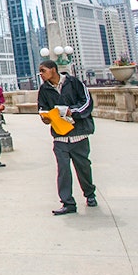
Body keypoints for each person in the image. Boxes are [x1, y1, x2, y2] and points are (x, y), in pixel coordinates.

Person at [36, 60, 97, 215]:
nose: (41, 74)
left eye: (43, 70)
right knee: (63, 170)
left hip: (79, 134)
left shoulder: (74, 82)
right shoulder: (44, 89)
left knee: (83, 167)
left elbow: (87, 103)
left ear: (53, 70)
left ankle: (90, 195)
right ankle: (67, 202)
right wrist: (45, 117)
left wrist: (72, 112)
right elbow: (42, 108)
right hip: (60, 136)